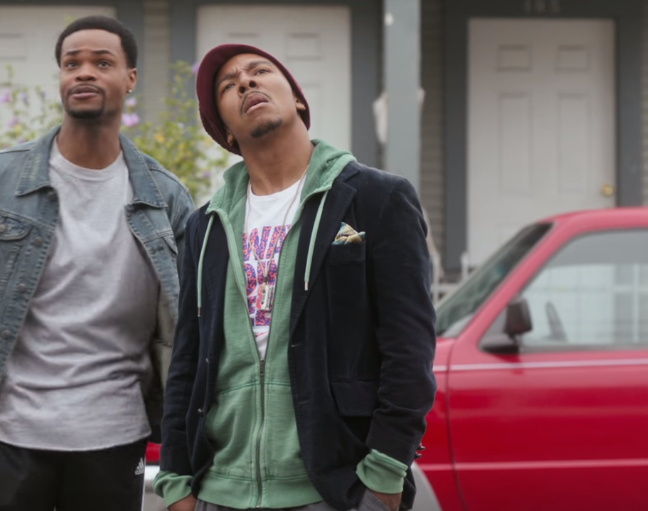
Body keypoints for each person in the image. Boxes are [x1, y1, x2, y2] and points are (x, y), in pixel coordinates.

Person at [0, 15, 193, 511]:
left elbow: (195, 330)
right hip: (7, 435)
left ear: (130, 78)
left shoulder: (166, 197)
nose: (84, 72)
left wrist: (191, 447)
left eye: (102, 62)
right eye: (71, 63)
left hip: (114, 438)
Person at [154, 44, 436, 511]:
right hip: (219, 490)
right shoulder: (205, 227)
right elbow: (188, 356)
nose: (246, 82)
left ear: (299, 100)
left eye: (260, 71)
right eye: (228, 86)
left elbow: (409, 347)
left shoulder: (376, 199)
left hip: (335, 488)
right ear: (224, 129)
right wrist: (177, 479)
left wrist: (386, 470)